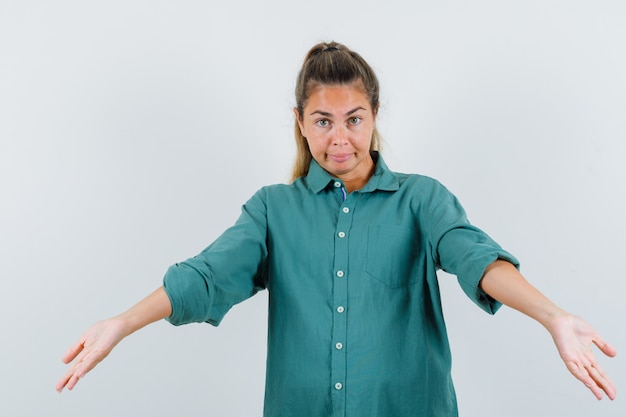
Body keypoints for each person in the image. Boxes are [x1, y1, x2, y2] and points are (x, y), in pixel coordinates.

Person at [56, 41, 617, 416]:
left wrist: (554, 317)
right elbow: (206, 276)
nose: (340, 139)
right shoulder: (272, 209)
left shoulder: (420, 199)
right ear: (301, 125)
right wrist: (122, 323)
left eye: (354, 119)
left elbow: (476, 258)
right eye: (323, 122)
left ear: (374, 117)